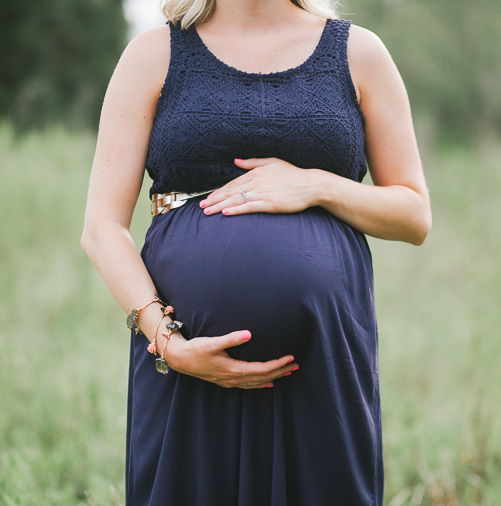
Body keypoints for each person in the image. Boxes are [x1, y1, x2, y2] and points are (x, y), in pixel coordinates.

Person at [81, 0, 431, 503]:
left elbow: (414, 215)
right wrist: (170, 344)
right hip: (186, 363)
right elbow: (102, 227)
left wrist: (317, 186)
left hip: (321, 364)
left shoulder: (359, 54)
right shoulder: (154, 54)